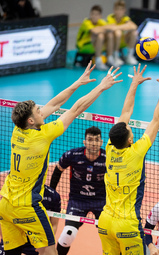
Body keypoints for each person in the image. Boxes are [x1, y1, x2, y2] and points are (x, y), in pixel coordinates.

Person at [0, 62, 122, 255]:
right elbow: (75, 109)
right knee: (49, 251)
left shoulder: (19, 129)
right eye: (38, 111)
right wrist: (101, 86)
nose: (42, 111)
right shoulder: (42, 135)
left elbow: (54, 104)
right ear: (31, 120)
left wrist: (77, 83)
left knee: (11, 252)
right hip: (26, 205)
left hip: (5, 203)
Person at [97, 64, 159, 254]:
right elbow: (156, 119)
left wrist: (134, 84)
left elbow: (125, 113)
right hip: (126, 225)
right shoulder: (136, 151)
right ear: (130, 139)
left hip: (105, 222)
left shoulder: (109, 148)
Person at [49, 126, 106, 255]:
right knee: (68, 235)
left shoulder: (108, 158)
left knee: (110, 236)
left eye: (97, 140)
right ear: (84, 142)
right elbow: (58, 170)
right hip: (77, 200)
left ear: (101, 142)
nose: (93, 143)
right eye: (90, 140)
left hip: (101, 201)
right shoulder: (73, 155)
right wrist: (51, 193)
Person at [0, 185, 61, 255]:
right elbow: (3, 220)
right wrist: (5, 240)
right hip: (15, 238)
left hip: (37, 241)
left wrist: (44, 244)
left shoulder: (53, 196)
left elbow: (54, 225)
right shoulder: (14, 193)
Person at [76, 5, 110, 70]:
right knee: (100, 35)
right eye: (93, 14)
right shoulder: (86, 22)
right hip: (83, 46)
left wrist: (106, 29)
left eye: (96, 14)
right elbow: (95, 31)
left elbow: (111, 28)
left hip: (93, 44)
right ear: (90, 14)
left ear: (100, 16)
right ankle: (98, 61)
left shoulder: (101, 22)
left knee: (110, 35)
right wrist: (105, 29)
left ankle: (111, 57)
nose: (94, 16)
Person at [105, 0, 138, 67]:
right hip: (112, 42)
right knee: (118, 32)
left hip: (122, 41)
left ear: (124, 10)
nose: (119, 12)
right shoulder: (110, 17)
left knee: (134, 33)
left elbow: (134, 26)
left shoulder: (125, 18)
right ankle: (115, 56)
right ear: (114, 10)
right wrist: (125, 26)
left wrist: (118, 27)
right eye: (117, 9)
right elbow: (112, 28)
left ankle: (129, 56)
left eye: (121, 9)